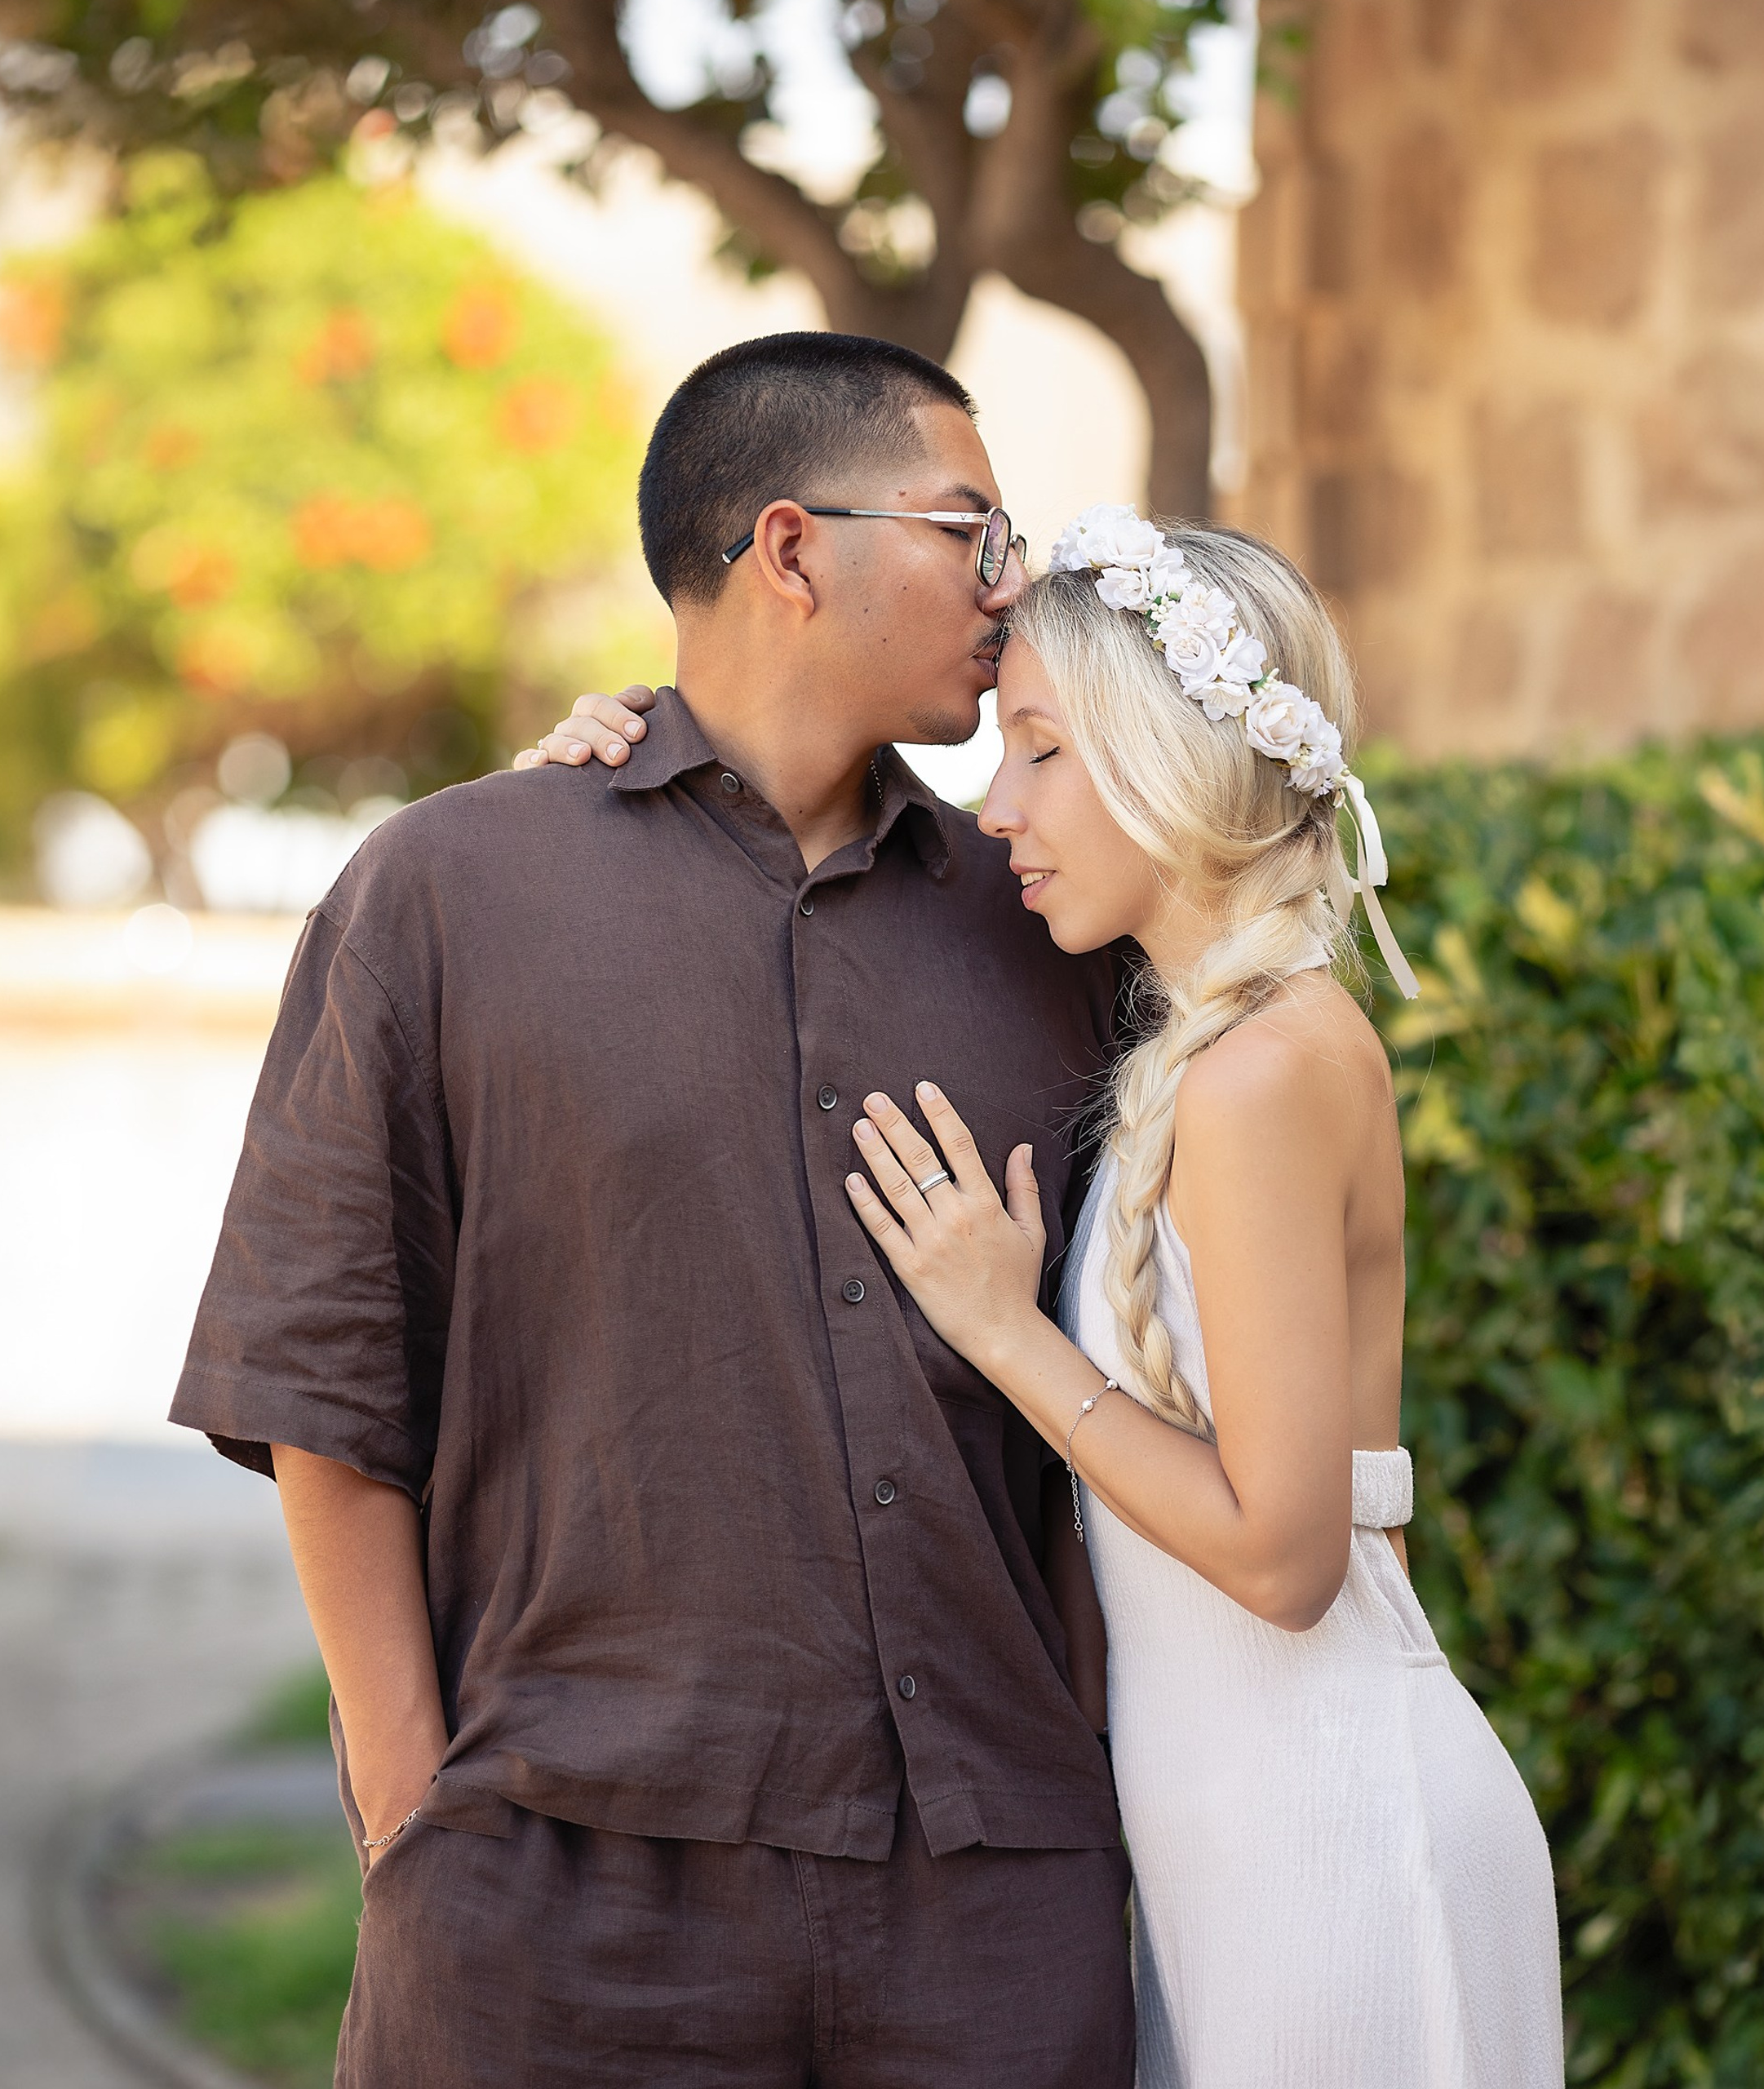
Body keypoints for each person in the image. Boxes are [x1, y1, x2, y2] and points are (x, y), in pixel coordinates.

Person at [170, 335, 1137, 2089]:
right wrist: (416, 1820)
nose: (1015, 582)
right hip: (557, 1904)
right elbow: (321, 1384)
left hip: (991, 1908)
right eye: (969, 528)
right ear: (790, 549)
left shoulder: (1048, 919)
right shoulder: (450, 892)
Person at [545, 511, 1565, 2086]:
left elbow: (1290, 1563)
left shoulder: (1265, 1071)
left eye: (1038, 752)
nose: (997, 809)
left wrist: (1006, 1333)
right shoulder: (1206, 1042)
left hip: (1338, 1843)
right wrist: (629, 762)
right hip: (1240, 1845)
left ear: (1167, 757)